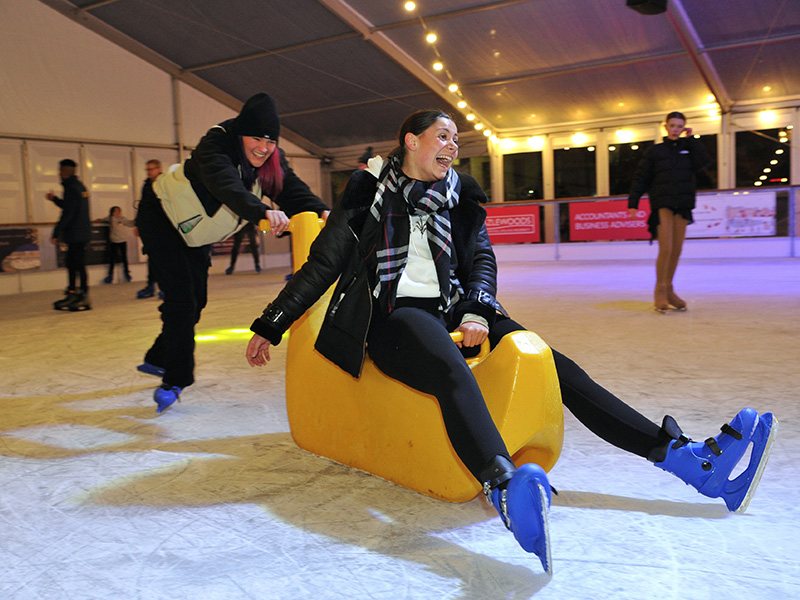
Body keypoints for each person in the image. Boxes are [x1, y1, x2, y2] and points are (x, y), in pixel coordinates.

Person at [245, 110, 776, 574]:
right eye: (442, 137)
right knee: (448, 366)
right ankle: (503, 486)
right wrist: (272, 323)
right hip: (391, 318)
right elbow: (325, 262)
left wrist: (478, 308)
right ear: (411, 141)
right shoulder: (369, 192)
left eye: (456, 140)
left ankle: (689, 462)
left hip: (456, 307)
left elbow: (481, 259)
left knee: (554, 364)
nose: (452, 147)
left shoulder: (460, 194)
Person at [137, 93, 329, 413]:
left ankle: (158, 356)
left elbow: (290, 189)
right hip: (160, 217)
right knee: (182, 300)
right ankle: (175, 379)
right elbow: (226, 185)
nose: (263, 148)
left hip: (193, 227)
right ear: (241, 134)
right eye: (256, 139)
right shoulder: (215, 145)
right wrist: (261, 212)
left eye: (270, 141)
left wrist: (323, 211)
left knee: (197, 300)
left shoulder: (271, 158)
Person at [628, 111, 712, 313]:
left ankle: (669, 290)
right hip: (662, 203)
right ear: (665, 127)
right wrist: (633, 202)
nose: (675, 129)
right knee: (666, 248)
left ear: (683, 129)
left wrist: (692, 140)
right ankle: (660, 290)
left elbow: (704, 162)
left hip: (682, 205)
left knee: (676, 249)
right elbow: (641, 176)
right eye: (672, 125)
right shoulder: (655, 151)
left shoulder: (688, 149)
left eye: (679, 126)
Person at [47, 158, 92, 312]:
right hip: (81, 231)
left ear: (64, 172)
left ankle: (81, 295)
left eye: (60, 170)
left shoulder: (71, 188)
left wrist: (56, 231)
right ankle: (75, 292)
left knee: (75, 264)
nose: (58, 173)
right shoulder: (79, 186)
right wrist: (54, 199)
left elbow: (68, 213)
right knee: (75, 264)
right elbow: (70, 206)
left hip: (76, 233)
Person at [134, 160, 163, 299]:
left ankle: (165, 287)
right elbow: (142, 206)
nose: (149, 172)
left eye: (151, 169)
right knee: (152, 258)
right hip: (150, 228)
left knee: (163, 259)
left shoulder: (164, 184)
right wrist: (137, 224)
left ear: (159, 169)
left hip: (162, 228)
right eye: (148, 169)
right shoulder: (146, 185)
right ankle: (151, 285)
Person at [96, 206, 135, 283]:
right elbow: (102, 220)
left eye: (119, 211)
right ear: (112, 213)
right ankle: (110, 275)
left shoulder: (123, 219)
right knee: (112, 258)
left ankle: (127, 273)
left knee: (124, 258)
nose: (118, 213)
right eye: (116, 211)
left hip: (123, 241)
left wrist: (136, 221)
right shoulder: (110, 218)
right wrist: (97, 220)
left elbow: (130, 224)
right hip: (114, 241)